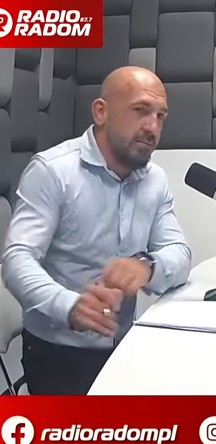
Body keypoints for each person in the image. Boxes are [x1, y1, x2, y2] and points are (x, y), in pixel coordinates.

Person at [1, 66, 192, 394]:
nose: (153, 127)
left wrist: (147, 266)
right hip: (57, 354)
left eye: (160, 116)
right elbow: (17, 260)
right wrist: (69, 306)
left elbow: (180, 253)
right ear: (101, 112)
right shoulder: (53, 171)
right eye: (141, 110)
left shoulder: (155, 180)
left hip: (123, 345)